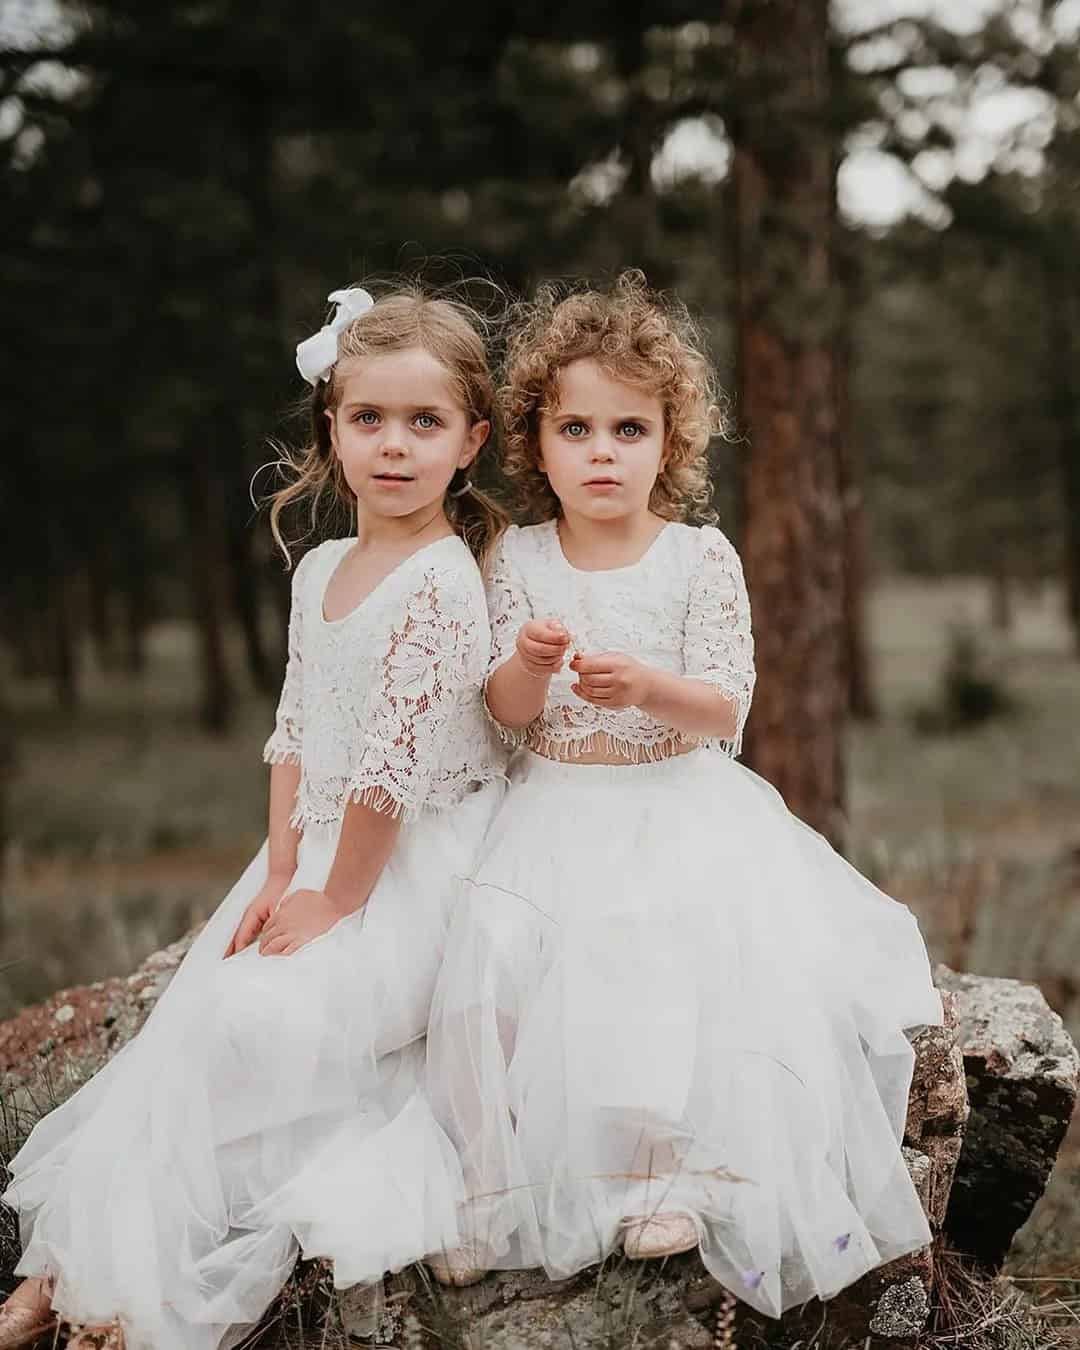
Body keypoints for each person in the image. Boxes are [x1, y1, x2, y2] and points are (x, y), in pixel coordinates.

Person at [424, 271, 944, 1317]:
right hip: (553, 808)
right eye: (577, 429)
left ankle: (657, 1175)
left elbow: (726, 709)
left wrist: (649, 686)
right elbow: (506, 711)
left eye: (630, 428)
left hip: (675, 804)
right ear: (535, 441)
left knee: (660, 963)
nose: (603, 452)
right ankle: (491, 1182)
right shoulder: (517, 559)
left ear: (671, 442)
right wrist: (527, 663)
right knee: (490, 963)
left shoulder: (699, 558)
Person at [0, 283, 507, 1350]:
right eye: (369, 419)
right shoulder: (322, 565)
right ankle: (74, 1270)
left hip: (412, 865)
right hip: (320, 850)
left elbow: (387, 771)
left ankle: (123, 1291)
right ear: (332, 429)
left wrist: (334, 899)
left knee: (262, 1033)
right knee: (185, 1036)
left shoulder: (443, 580)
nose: (395, 447)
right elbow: (293, 732)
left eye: (426, 423)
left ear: (472, 441)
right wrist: (281, 869)